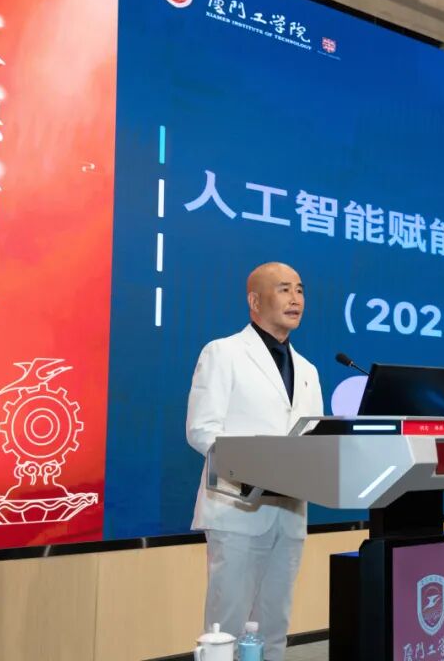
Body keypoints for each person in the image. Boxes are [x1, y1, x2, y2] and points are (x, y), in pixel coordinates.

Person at [186, 261, 324, 661]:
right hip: (239, 510)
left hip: (291, 511)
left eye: (300, 289)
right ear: (255, 300)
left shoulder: (309, 370)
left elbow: (313, 438)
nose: (296, 299)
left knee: (274, 627)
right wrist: (256, 470)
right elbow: (201, 430)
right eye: (284, 289)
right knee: (225, 629)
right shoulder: (223, 352)